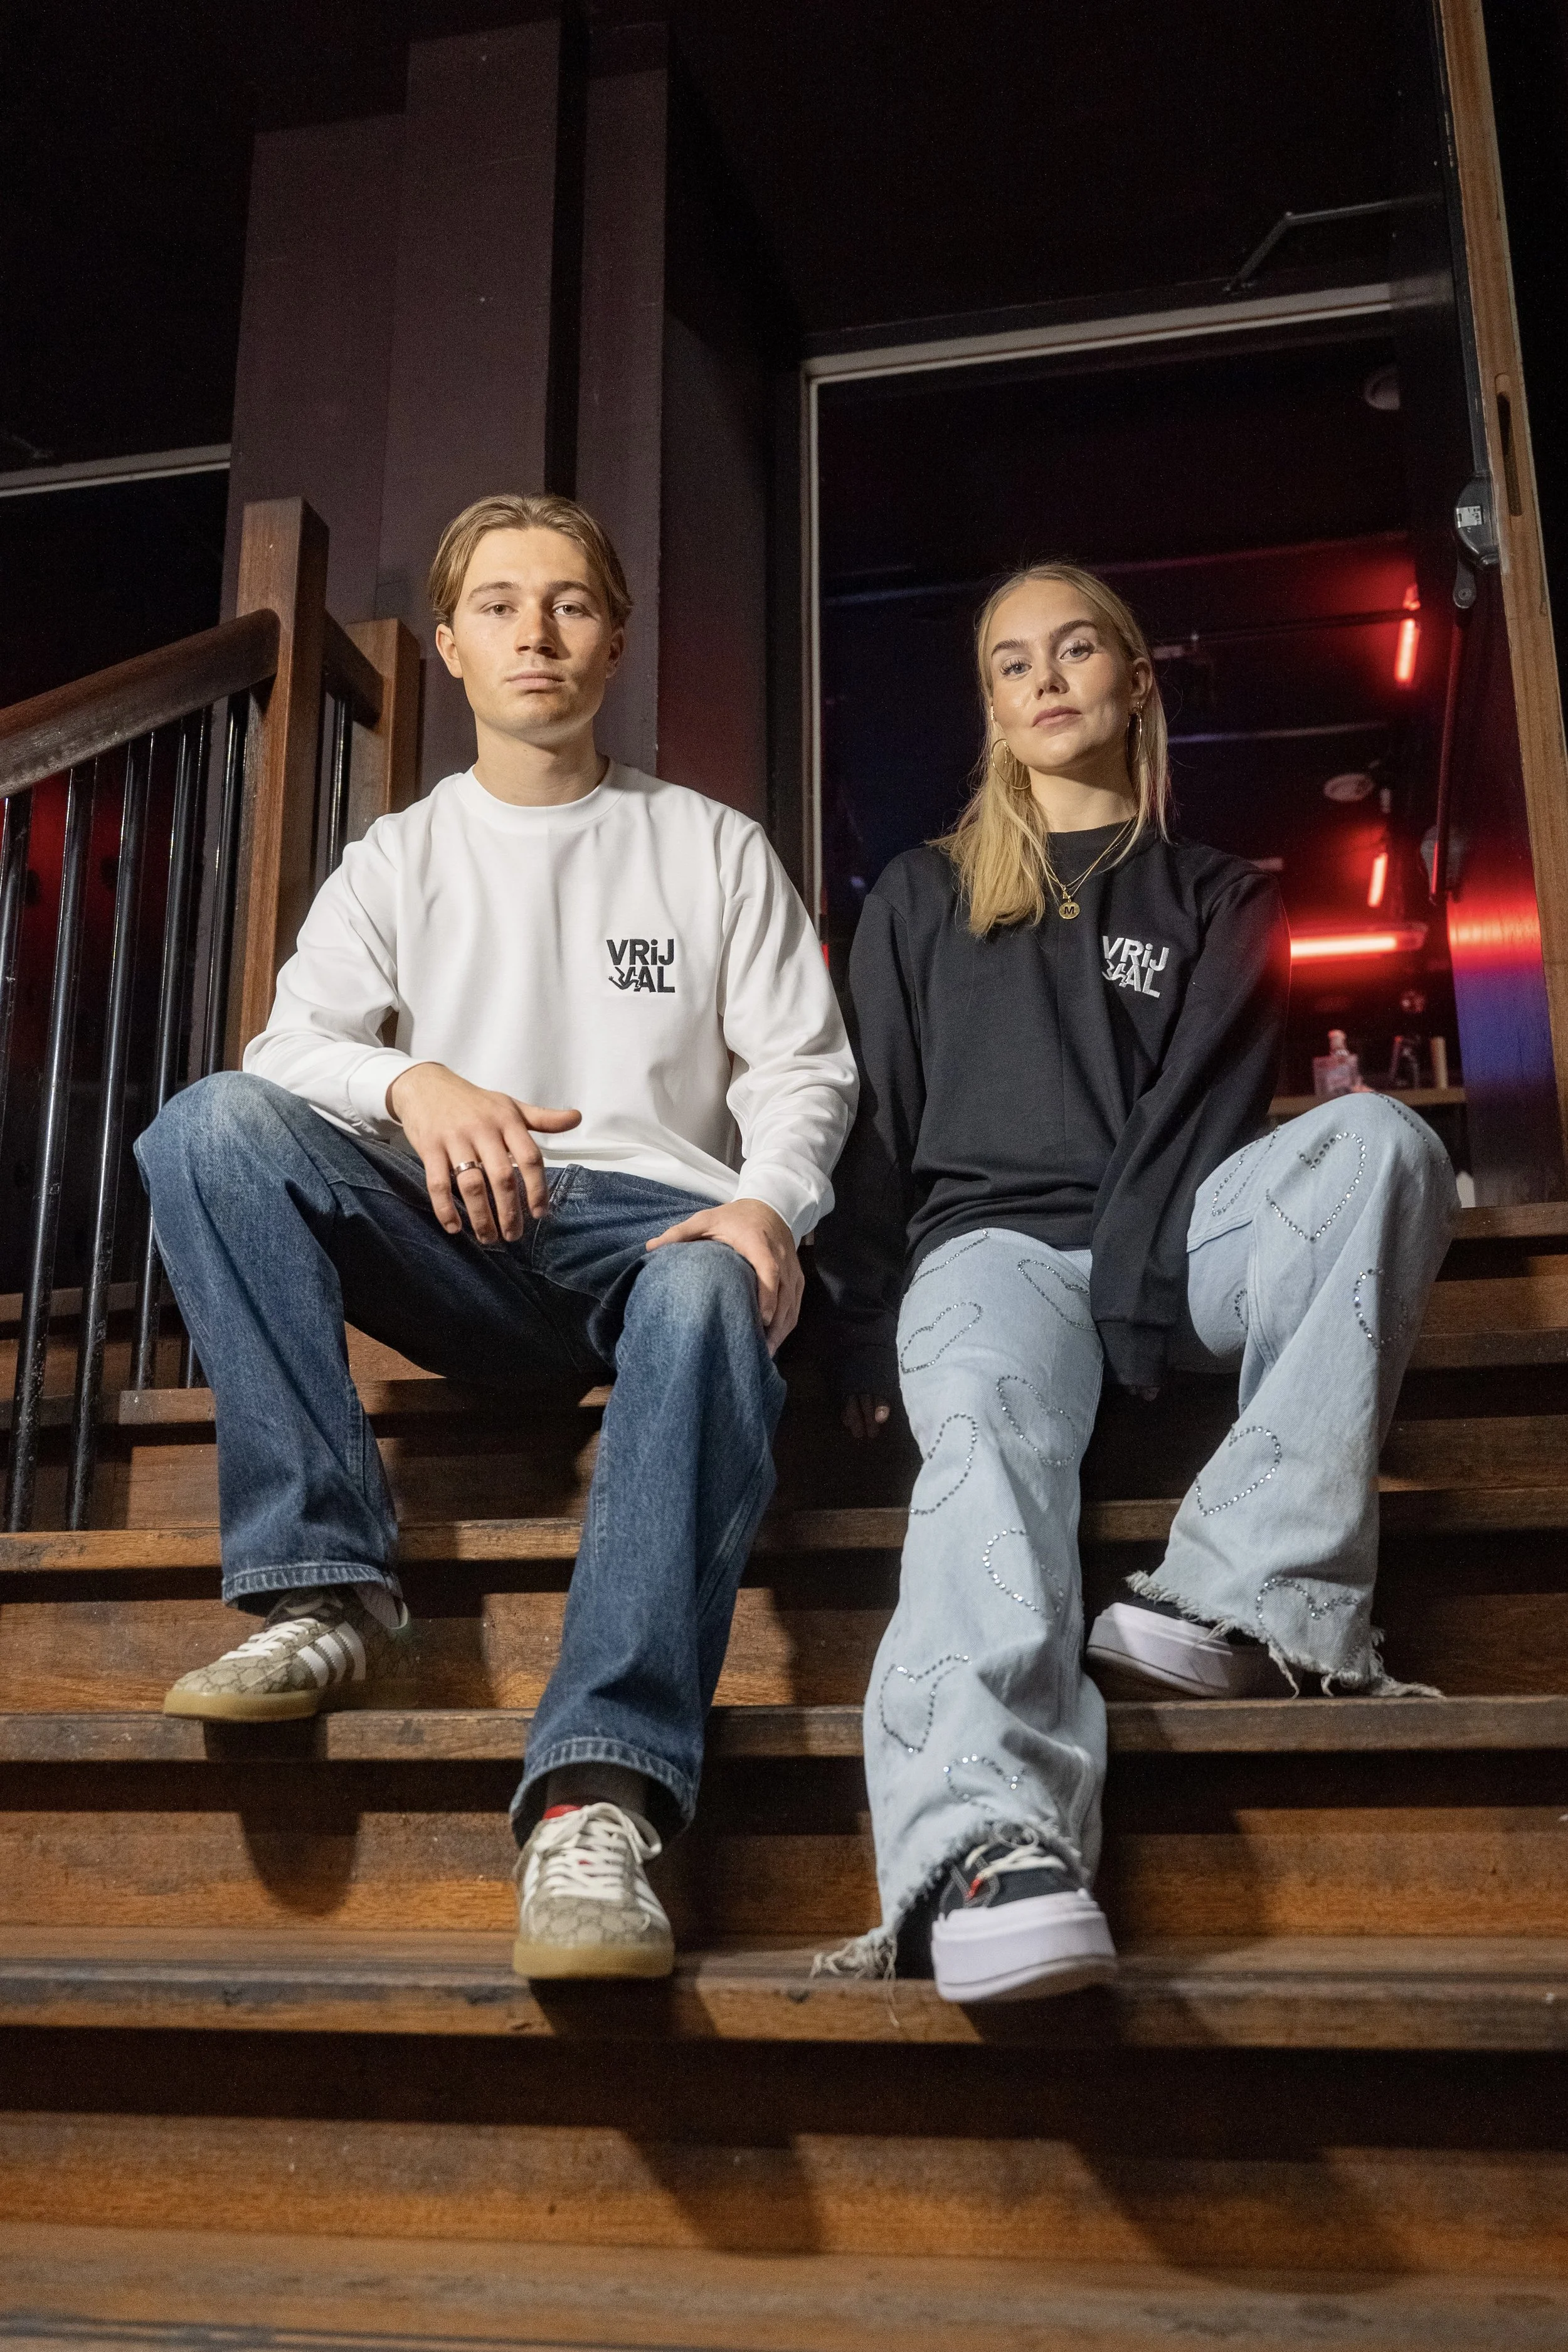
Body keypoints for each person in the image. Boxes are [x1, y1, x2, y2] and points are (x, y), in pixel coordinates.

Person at [136, 492, 856, 1983]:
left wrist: (764, 1205)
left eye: (571, 603)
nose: (538, 633)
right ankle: (325, 1588)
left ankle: (598, 1796)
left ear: (615, 641)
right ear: (454, 646)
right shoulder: (401, 856)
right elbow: (288, 1048)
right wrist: (415, 1084)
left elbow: (804, 1069)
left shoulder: (708, 846)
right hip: (457, 1233)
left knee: (708, 1287)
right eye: (500, 605)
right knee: (209, 1125)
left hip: (650, 1239)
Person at [815, 561, 1456, 2006]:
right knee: (981, 1418)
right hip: (987, 1249)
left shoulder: (1221, 896)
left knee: (1380, 1142)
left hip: (1173, 1244)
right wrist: (859, 1335)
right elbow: (875, 1132)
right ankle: (986, 1844)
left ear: (1133, 680)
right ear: (990, 707)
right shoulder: (918, 895)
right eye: (1010, 663)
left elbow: (1197, 1123)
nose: (1044, 679)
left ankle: (1251, 1598)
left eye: (1074, 649)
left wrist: (1133, 1306)